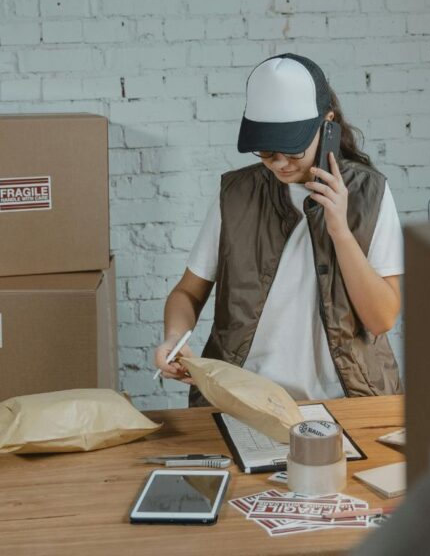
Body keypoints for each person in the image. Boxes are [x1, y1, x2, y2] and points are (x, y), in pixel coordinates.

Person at [153, 53, 404, 407]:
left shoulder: (368, 194)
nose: (280, 164)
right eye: (267, 152)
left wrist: (340, 232)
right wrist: (174, 338)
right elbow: (187, 294)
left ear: (327, 125)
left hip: (345, 400)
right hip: (243, 398)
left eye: (292, 148)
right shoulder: (237, 195)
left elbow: (380, 320)